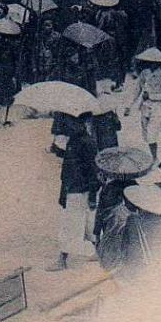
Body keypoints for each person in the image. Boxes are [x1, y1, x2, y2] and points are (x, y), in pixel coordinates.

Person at [49, 113, 98, 271]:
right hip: (71, 187)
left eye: (73, 122)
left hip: (79, 189)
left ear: (83, 123)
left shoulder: (87, 142)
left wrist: (91, 195)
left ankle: (63, 258)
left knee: (71, 224)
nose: (69, 125)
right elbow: (69, 164)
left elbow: (93, 172)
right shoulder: (74, 139)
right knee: (85, 223)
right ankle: (97, 251)